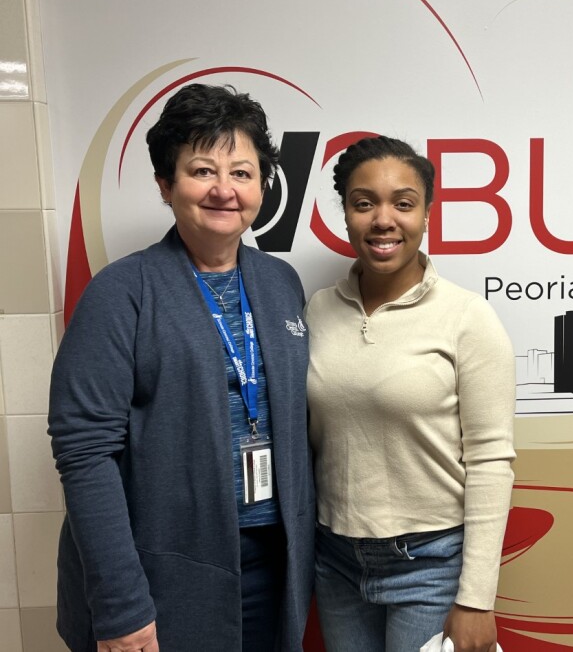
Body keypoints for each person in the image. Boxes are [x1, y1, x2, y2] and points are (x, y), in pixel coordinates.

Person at [48, 83, 314, 651]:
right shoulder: (121, 293)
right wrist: (121, 605)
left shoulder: (279, 283)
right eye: (202, 171)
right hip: (162, 570)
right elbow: (85, 453)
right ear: (166, 185)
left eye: (242, 173)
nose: (224, 190)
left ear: (262, 187)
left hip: (272, 564)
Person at [306, 136, 515, 652]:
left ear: (426, 214)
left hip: (430, 567)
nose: (383, 219)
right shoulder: (315, 311)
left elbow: (491, 459)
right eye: (364, 203)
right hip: (334, 561)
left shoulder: (468, 317)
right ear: (347, 215)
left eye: (403, 203)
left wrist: (476, 600)